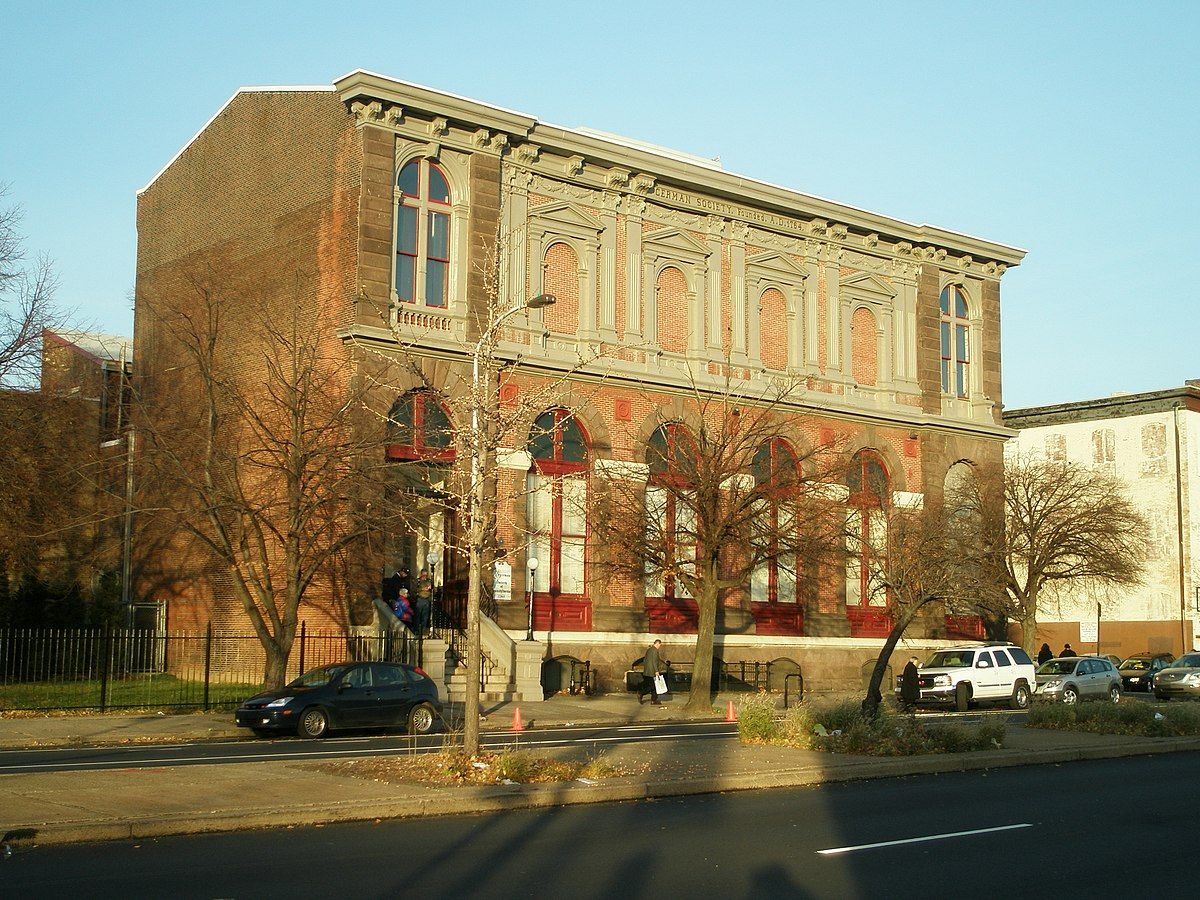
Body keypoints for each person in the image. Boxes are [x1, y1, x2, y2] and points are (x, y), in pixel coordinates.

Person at [641, 639, 668, 705]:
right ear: (657, 643)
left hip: (647, 670)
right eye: (659, 645)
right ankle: (642, 693)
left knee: (652, 685)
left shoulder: (649, 650)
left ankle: (654, 699)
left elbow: (645, 660)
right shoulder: (655, 651)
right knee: (653, 686)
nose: (659, 646)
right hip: (652, 671)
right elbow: (654, 662)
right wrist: (656, 671)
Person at [415, 569, 432, 636]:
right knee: (418, 615)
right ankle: (417, 629)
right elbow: (414, 589)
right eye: (424, 574)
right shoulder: (418, 581)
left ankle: (423, 630)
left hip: (427, 599)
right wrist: (421, 589)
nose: (425, 576)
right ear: (421, 574)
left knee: (425, 616)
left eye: (426, 575)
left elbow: (434, 589)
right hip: (420, 599)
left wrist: (431, 588)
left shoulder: (429, 581)